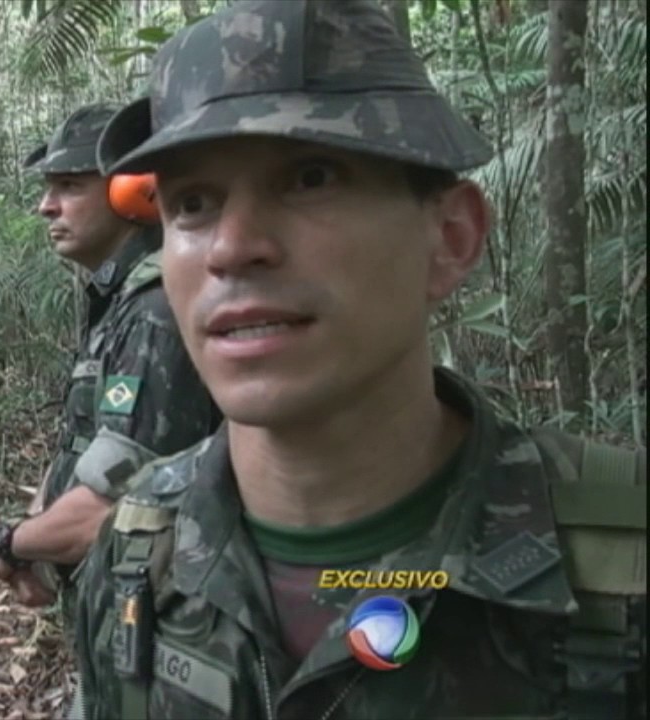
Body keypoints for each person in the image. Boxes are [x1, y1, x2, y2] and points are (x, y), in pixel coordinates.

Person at [72, 2, 647, 719]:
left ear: (451, 238)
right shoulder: (135, 552)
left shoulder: (621, 559)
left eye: (311, 177)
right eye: (193, 202)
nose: (231, 247)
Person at [0, 103, 220, 715]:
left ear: (135, 194)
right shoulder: (120, 301)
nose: (47, 205)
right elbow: (86, 444)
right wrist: (41, 521)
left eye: (68, 186)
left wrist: (17, 543)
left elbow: (116, 503)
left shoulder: (155, 311)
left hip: (167, 622)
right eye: (48, 188)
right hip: (113, 612)